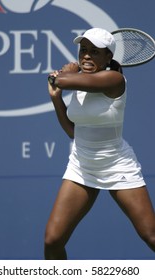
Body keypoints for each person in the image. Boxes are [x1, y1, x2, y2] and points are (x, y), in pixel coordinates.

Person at [45, 27, 155, 260]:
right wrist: (56, 99)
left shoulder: (114, 79)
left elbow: (60, 79)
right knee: (52, 241)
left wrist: (68, 72)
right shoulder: (80, 83)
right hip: (81, 165)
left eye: (94, 52)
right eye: (83, 50)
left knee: (151, 236)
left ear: (108, 58)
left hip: (117, 165)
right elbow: (73, 132)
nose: (86, 56)